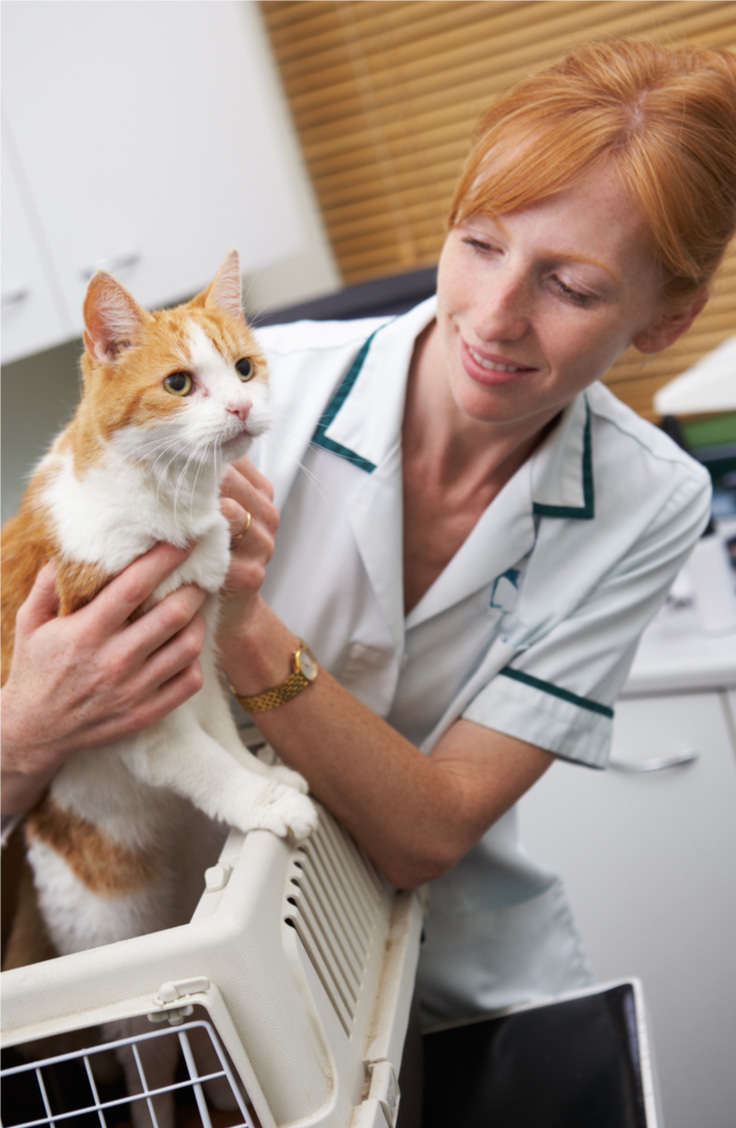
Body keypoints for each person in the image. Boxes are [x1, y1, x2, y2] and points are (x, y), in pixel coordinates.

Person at [3, 38, 736, 1027]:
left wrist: (246, 618)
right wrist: (29, 727)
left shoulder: (652, 499)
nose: (493, 315)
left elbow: (425, 836)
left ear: (664, 321)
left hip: (456, 973)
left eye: (571, 288)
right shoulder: (253, 392)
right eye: (479, 243)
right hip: (219, 941)